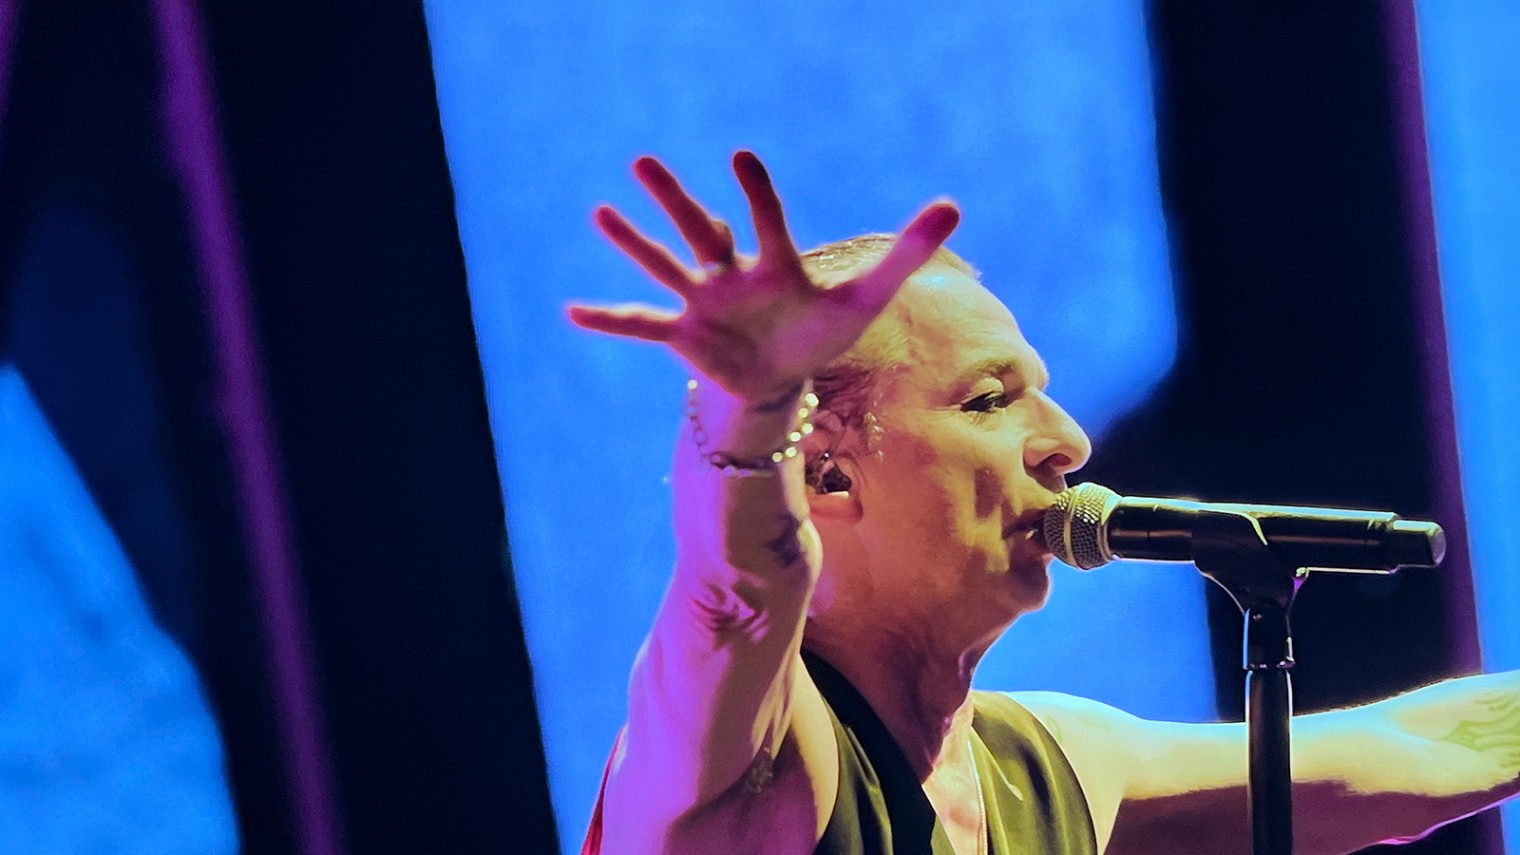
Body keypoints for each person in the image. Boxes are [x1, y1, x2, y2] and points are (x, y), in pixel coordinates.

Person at [567, 151, 1520, 855]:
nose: (1070, 441)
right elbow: (737, 594)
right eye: (989, 399)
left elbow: (1420, 746)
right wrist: (751, 413)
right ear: (828, 475)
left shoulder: (1048, 765)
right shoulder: (744, 763)